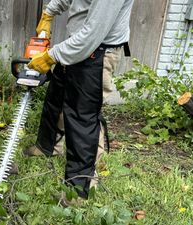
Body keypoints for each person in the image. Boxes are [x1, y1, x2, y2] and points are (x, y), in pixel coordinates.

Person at [25, 0, 134, 205]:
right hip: (78, 42)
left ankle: (80, 189)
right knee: (56, 99)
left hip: (98, 50)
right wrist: (49, 11)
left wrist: (51, 56)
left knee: (82, 116)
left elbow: (91, 36)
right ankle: (47, 147)